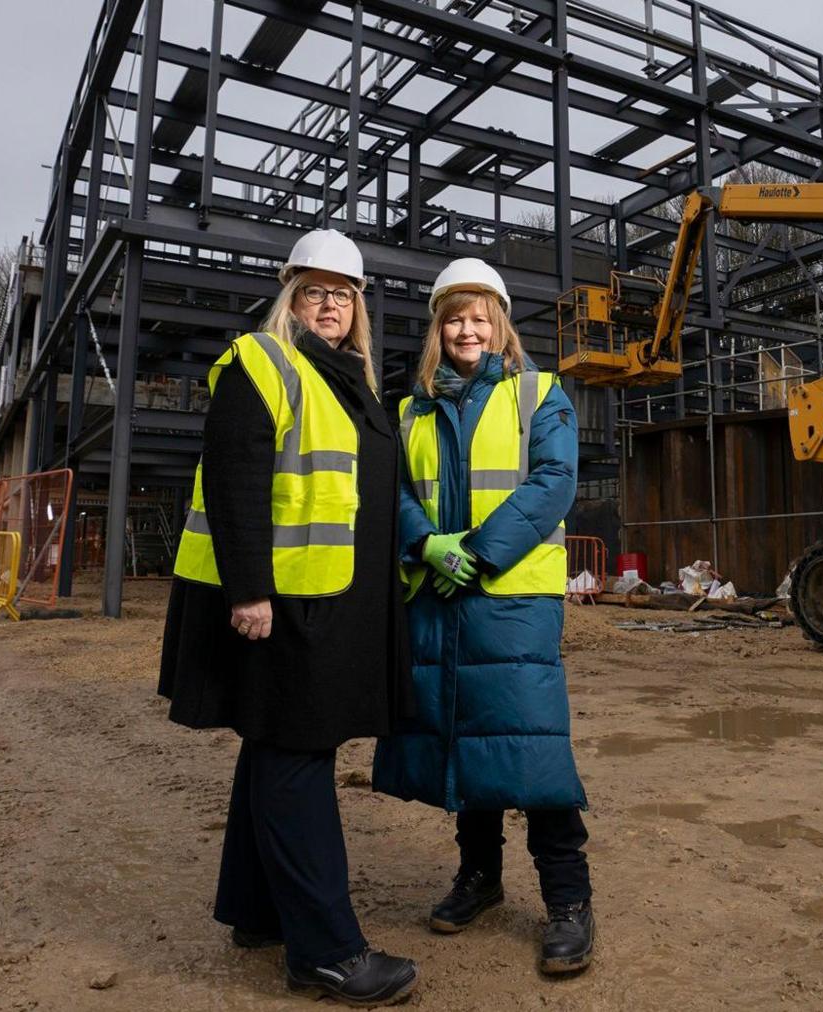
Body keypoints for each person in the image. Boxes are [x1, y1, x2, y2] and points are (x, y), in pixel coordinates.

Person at [159, 228, 418, 1006]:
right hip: (282, 606)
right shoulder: (262, 362)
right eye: (314, 291)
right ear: (290, 298)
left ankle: (256, 911)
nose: (329, 304)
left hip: (331, 603)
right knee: (295, 756)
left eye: (343, 294)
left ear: (358, 307)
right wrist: (247, 591)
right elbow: (236, 478)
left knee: (275, 748)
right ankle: (328, 953)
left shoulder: (352, 380)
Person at [372, 258, 594, 975]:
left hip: (511, 598)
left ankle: (568, 900)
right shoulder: (409, 411)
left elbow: (554, 482)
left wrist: (479, 551)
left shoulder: (539, 394)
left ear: (499, 324)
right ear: (439, 329)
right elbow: (392, 489)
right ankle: (481, 877)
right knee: (466, 738)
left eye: (479, 317)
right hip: (439, 592)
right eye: (454, 318)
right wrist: (425, 542)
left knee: (531, 745)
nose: (467, 329)